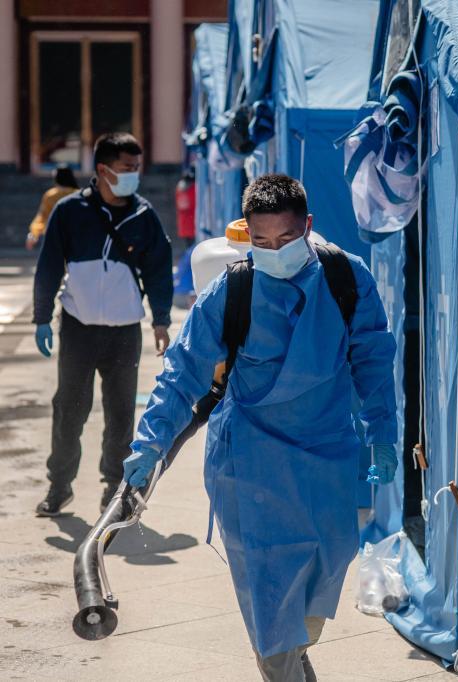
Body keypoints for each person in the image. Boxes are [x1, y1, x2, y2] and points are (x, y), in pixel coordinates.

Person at [123, 174, 398, 681]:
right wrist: (150, 442)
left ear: (308, 226)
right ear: (248, 235)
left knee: (323, 577)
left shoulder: (346, 278)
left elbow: (374, 360)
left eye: (287, 241)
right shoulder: (234, 288)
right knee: (272, 604)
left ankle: (291, 651)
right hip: (250, 463)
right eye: (262, 242)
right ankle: (282, 659)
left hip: (327, 454)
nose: (274, 252)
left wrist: (384, 432)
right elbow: (181, 371)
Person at [32, 133, 173, 516]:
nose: (134, 176)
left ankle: (115, 485)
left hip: (124, 331)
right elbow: (48, 267)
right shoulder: (69, 211)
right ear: (103, 171)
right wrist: (42, 317)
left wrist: (161, 320)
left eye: (136, 169)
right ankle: (59, 486)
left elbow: (160, 270)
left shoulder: (143, 216)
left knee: (121, 413)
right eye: (127, 169)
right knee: (69, 411)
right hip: (78, 328)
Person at [25, 164, 79, 250]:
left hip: (54, 236)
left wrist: (33, 233)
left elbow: (42, 217)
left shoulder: (51, 195)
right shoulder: (79, 194)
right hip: (77, 236)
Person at [175, 167, 196, 247]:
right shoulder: (193, 188)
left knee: (189, 247)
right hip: (193, 224)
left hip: (184, 224)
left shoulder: (179, 188)